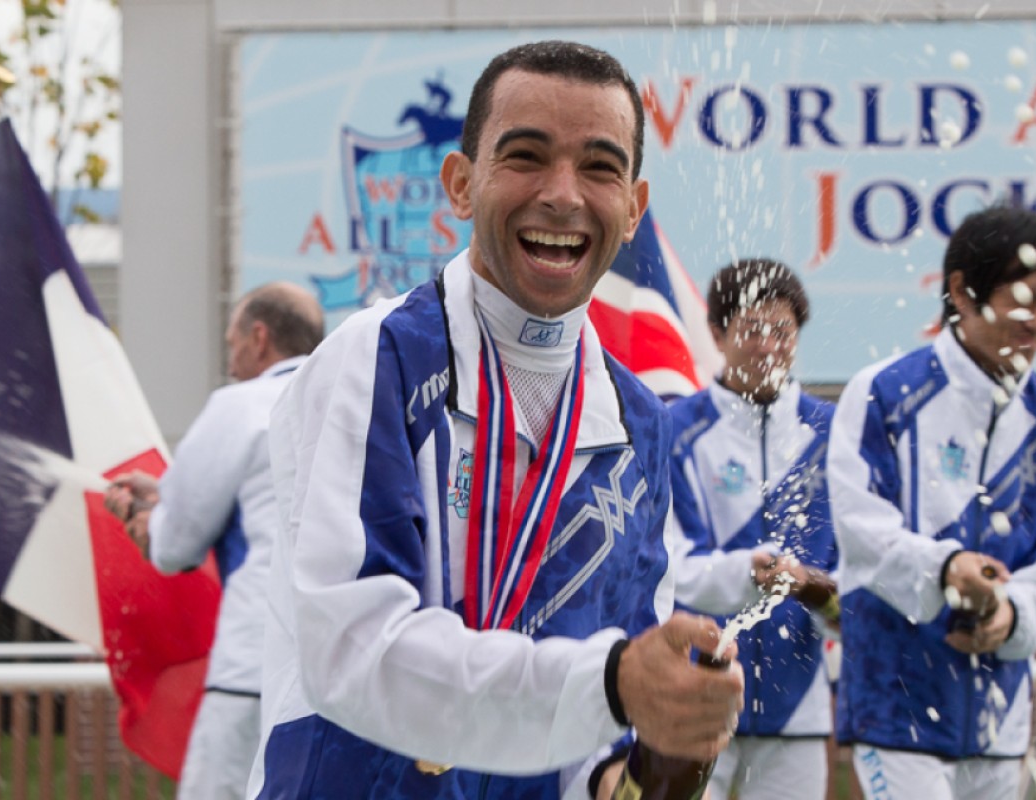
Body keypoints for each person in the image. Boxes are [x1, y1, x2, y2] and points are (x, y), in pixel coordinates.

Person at [246, 40, 745, 800]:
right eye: (526, 156)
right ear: (460, 182)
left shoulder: (642, 423)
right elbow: (352, 649)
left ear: (634, 208)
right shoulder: (378, 358)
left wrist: (632, 768)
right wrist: (614, 684)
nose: (563, 194)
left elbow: (606, 712)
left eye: (600, 168)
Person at [828, 204, 1036, 800]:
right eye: (1026, 299)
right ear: (960, 289)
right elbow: (859, 530)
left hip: (998, 718)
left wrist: (1012, 616)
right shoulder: (885, 394)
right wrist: (946, 568)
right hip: (894, 700)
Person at [104, 281, 324, 800]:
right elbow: (277, 498)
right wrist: (167, 493)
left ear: (259, 338)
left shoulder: (241, 405)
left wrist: (146, 519)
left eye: (232, 344)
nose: (231, 360)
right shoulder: (354, 401)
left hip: (253, 664)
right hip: (338, 676)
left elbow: (176, 545)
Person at [667, 259, 837, 800]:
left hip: (800, 701)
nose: (768, 346)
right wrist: (747, 572)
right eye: (751, 330)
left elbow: (857, 570)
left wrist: (814, 585)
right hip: (699, 690)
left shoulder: (832, 434)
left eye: (782, 331)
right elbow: (668, 569)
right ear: (717, 333)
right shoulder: (676, 430)